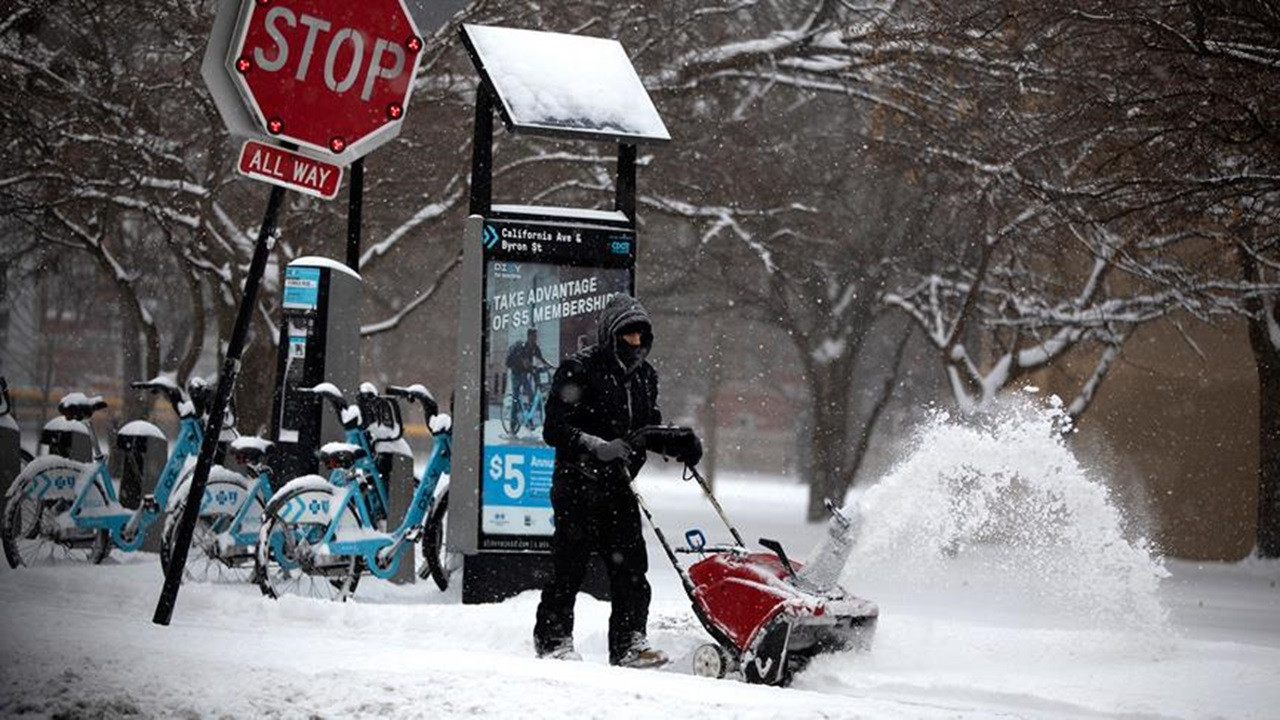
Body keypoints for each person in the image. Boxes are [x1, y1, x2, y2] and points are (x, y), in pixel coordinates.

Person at [533, 293, 669, 667]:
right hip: (577, 483)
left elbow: (646, 426)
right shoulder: (579, 369)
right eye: (628, 336)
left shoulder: (645, 377)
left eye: (641, 337)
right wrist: (596, 446)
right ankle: (553, 639)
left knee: (631, 569)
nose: (636, 344)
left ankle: (629, 643)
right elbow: (554, 428)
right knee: (569, 565)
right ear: (611, 334)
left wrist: (674, 441)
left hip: (619, 487)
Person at [505, 327, 550, 432]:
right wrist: (534, 368)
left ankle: (529, 420)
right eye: (534, 336)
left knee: (531, 396)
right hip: (516, 374)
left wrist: (552, 366)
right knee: (516, 399)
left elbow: (542, 359)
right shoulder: (522, 347)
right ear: (529, 336)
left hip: (525, 375)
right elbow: (526, 363)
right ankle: (513, 424)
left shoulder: (534, 347)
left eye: (536, 336)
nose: (536, 338)